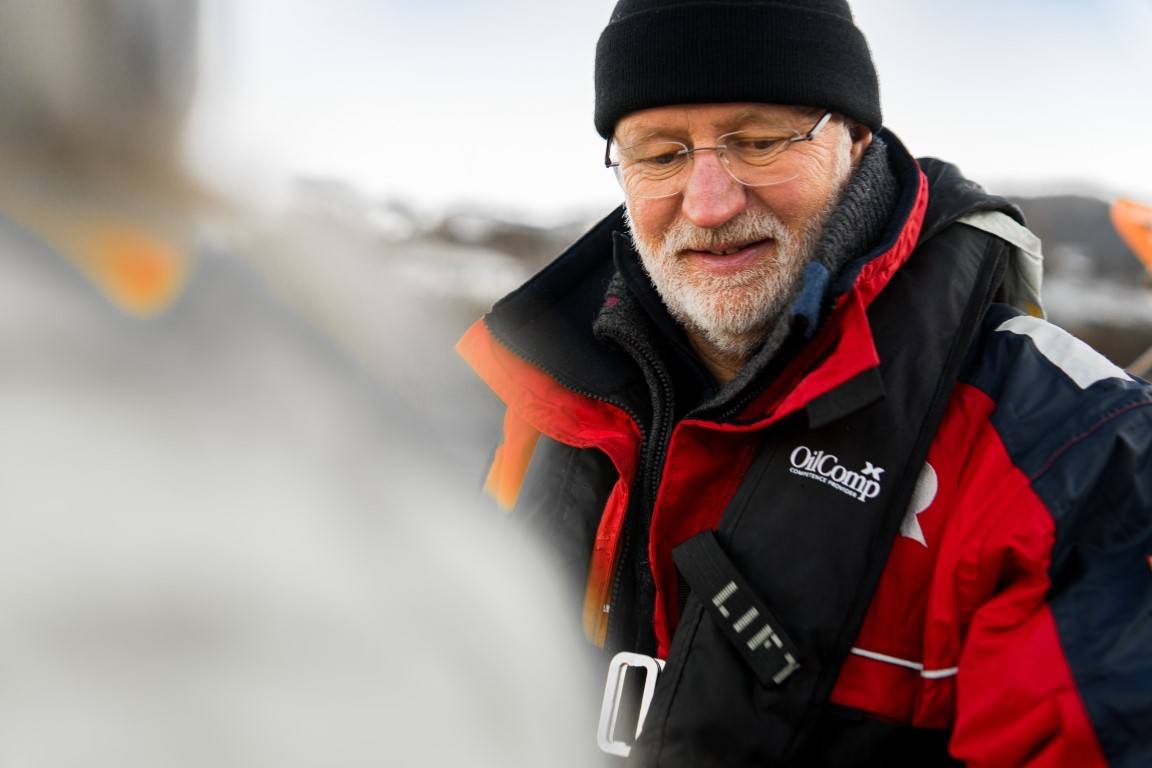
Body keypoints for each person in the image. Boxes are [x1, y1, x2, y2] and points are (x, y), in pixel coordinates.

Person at [457, 0, 1152, 765]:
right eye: (660, 154)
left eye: (757, 142)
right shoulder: (553, 400)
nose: (710, 201)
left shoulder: (1068, 450)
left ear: (854, 138)